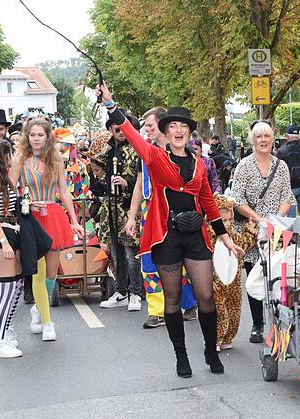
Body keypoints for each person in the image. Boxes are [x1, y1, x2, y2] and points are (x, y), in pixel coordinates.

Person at [98, 83, 244, 378]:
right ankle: (181, 355)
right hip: (167, 237)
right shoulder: (154, 156)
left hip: (195, 235)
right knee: (173, 298)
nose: (178, 130)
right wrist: (111, 104)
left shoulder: (200, 164)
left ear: (190, 132)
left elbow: (207, 201)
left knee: (206, 295)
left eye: (183, 127)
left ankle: (209, 348)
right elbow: (130, 132)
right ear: (166, 131)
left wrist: (225, 238)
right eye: (173, 126)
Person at [9, 118, 85, 342]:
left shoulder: (56, 160)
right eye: (32, 134)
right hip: (31, 217)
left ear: (48, 137)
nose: (35, 138)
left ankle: (37, 310)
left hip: (53, 215)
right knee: (39, 273)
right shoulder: (19, 160)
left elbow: (64, 191)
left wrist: (74, 220)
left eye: (40, 135)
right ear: (27, 136)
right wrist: (26, 202)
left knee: (52, 273)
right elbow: (10, 189)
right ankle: (47, 321)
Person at [127, 107, 199, 328]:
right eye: (145, 126)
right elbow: (139, 186)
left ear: (162, 127)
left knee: (180, 262)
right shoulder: (145, 153)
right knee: (149, 262)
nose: (147, 130)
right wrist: (132, 216)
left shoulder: (180, 153)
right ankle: (157, 311)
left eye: (150, 125)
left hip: (174, 211)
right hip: (149, 212)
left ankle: (188, 304)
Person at [0, 140, 52, 357]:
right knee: (7, 290)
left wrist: (28, 205)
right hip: (0, 234)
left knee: (17, 287)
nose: (12, 157)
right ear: (2, 156)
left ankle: (6, 333)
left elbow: (10, 206)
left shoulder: (3, 179)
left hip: (11, 231)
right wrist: (3, 241)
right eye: (9, 153)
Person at [230, 121, 296, 343]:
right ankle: (258, 324)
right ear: (252, 140)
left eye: (267, 136)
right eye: (259, 136)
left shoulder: (282, 166)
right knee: (255, 277)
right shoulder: (244, 166)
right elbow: (237, 199)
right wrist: (259, 220)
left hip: (277, 229)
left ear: (272, 138)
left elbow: (287, 195)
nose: (263, 140)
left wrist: (276, 219)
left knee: (278, 275)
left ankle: (280, 320)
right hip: (252, 229)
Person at [93, 115, 143, 312]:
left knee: (131, 254)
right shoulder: (107, 149)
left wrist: (127, 183)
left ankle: (136, 293)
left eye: (124, 129)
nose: (121, 133)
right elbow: (96, 170)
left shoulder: (137, 149)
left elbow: (144, 182)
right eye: (116, 129)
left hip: (129, 207)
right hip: (110, 209)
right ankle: (121, 291)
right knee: (116, 253)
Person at [209, 194, 257, 351]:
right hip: (216, 282)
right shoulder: (208, 238)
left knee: (234, 310)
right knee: (218, 312)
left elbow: (243, 244)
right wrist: (207, 280)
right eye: (223, 221)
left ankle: (228, 337)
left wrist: (249, 230)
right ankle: (215, 339)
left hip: (234, 281)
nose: (228, 224)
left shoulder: (231, 236)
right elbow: (201, 261)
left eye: (230, 220)